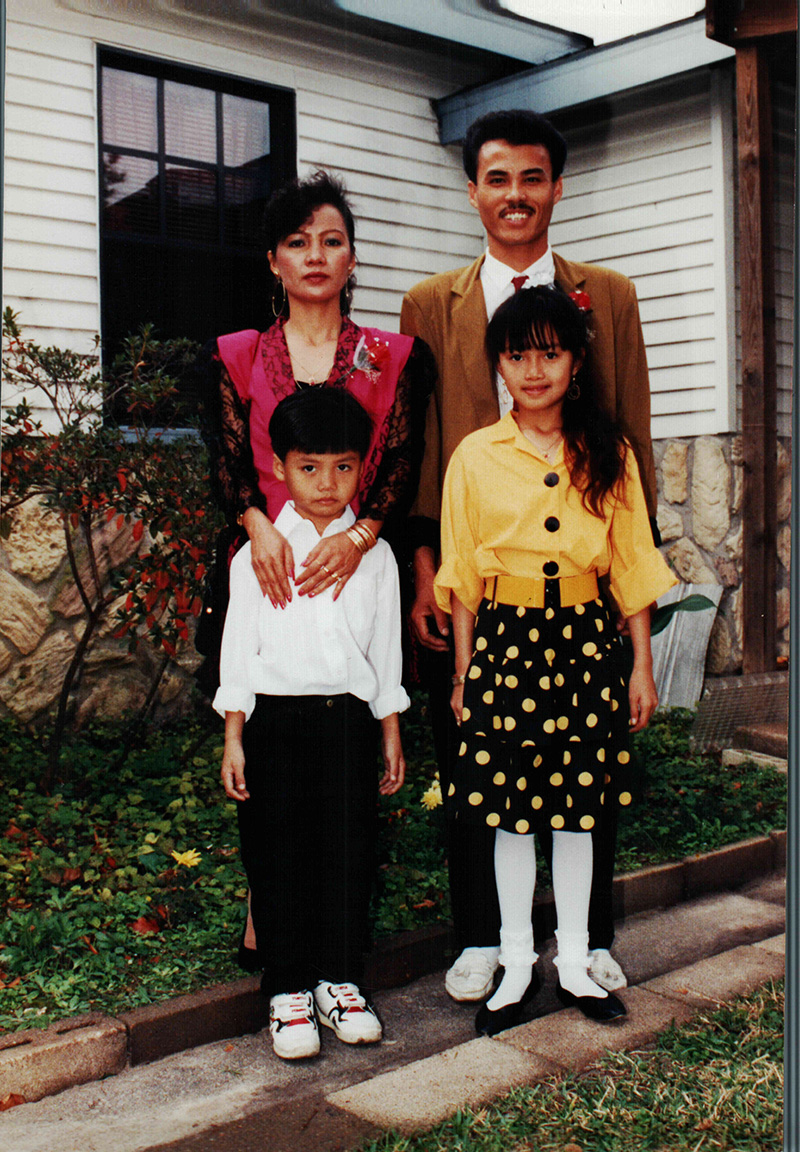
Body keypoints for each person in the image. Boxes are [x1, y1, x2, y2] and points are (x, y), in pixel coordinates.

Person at [400, 108, 658, 1002]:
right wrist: (426, 562)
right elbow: (423, 444)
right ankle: (484, 936)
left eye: (533, 178)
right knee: (476, 750)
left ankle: (588, 940)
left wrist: (637, 604)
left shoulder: (608, 294)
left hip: (583, 581)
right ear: (472, 189)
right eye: (498, 179)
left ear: (557, 185)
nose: (516, 196)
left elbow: (632, 439)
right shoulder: (431, 303)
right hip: (479, 578)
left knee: (589, 758)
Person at [197, 170, 433, 964]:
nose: (316, 256)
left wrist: (362, 537)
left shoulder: (392, 356)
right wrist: (259, 527)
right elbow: (229, 460)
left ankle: (337, 920)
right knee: (264, 744)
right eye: (298, 242)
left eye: (331, 240)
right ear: (272, 260)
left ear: (353, 257)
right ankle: (266, 903)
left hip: (355, 564)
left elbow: (400, 461)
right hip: (264, 566)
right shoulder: (236, 355)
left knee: (341, 757)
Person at [434, 285, 676, 1034]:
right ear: (498, 365)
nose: (533, 370)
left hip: (581, 646)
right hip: (506, 647)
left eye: (550, 352)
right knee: (510, 816)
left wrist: (639, 664)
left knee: (578, 811)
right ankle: (514, 963)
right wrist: (464, 673)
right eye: (517, 355)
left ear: (576, 360)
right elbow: (463, 577)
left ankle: (574, 959)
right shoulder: (474, 455)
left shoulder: (612, 454)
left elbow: (632, 566)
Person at [214, 387, 409, 1060]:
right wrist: (235, 734)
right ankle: (287, 989)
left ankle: (339, 981)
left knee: (347, 854)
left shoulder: (375, 557)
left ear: (364, 466)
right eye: (309, 467)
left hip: (348, 724)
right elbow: (238, 650)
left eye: (344, 467)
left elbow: (385, 651)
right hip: (275, 727)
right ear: (279, 466)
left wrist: (389, 730)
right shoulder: (259, 556)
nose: (327, 484)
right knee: (277, 855)